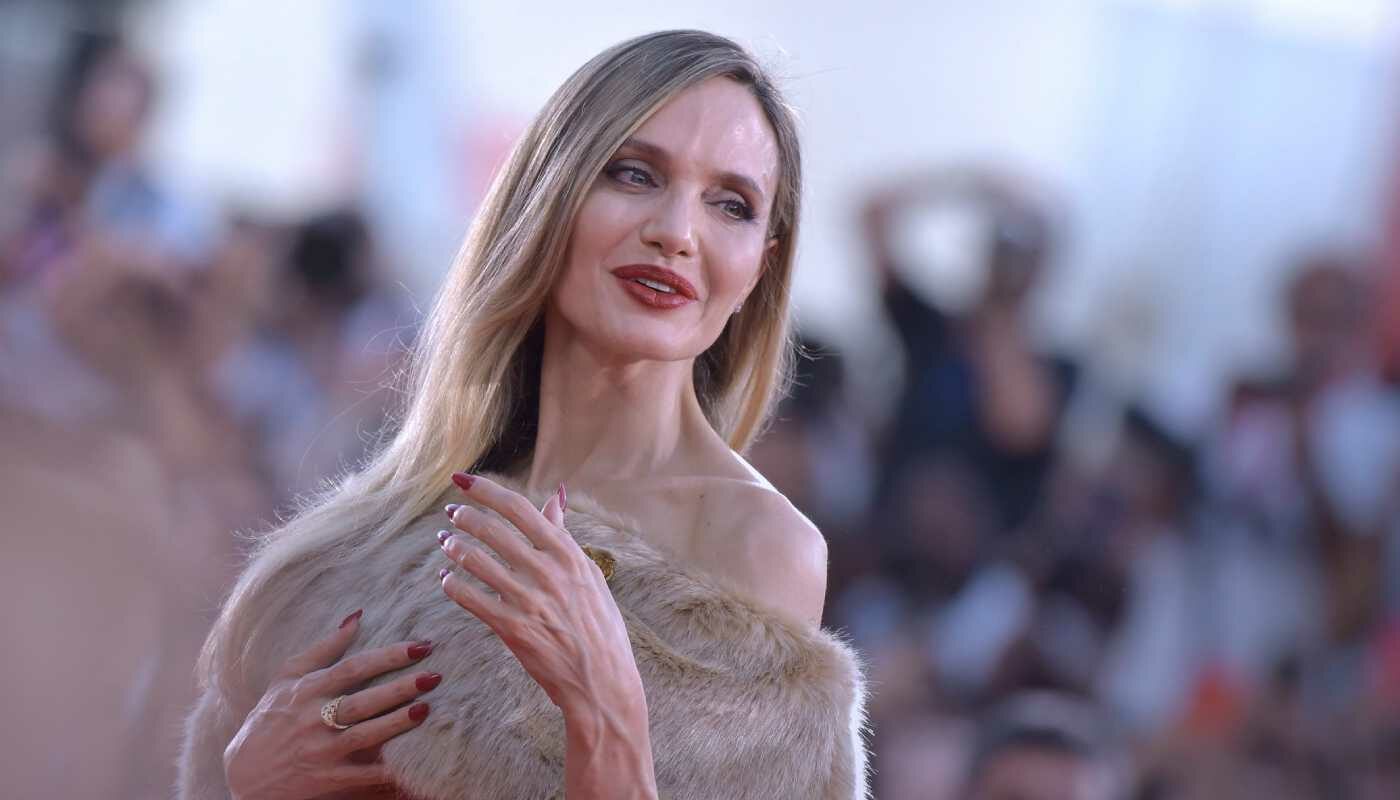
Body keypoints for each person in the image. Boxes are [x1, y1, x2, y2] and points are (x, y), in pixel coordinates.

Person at [178, 30, 869, 800]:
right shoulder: (352, 547)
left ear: (760, 265)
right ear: (550, 192)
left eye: (731, 204)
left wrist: (604, 711)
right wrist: (244, 784)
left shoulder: (757, 548)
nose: (676, 232)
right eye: (634, 174)